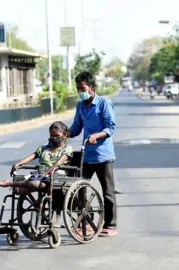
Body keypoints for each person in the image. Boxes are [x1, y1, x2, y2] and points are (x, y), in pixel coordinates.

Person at [68, 71, 118, 237]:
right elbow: (76, 128)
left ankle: (110, 225)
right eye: (78, 89)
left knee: (108, 192)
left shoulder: (104, 103)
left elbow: (110, 127)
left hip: (103, 155)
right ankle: (86, 223)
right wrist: (64, 133)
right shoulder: (80, 106)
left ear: (91, 88)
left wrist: (97, 135)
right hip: (86, 156)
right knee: (78, 190)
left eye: (82, 88)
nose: (80, 91)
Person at [0, 121, 73, 194]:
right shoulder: (44, 148)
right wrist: (18, 164)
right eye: (51, 136)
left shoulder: (67, 149)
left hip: (57, 175)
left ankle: (8, 184)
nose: (54, 138)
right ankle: (22, 188)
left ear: (65, 135)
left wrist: (44, 175)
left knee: (36, 183)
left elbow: (57, 164)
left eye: (57, 136)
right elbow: (32, 156)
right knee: (36, 183)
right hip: (41, 175)